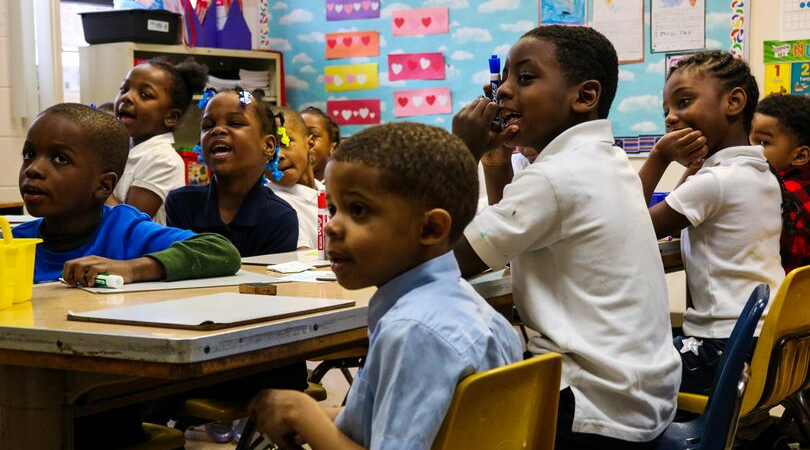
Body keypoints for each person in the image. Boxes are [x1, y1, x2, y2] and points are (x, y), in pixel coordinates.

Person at [452, 25, 680, 449]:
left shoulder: (556, 178)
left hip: (592, 408)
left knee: (443, 410)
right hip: (638, 395)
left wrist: (459, 152)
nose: (501, 92)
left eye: (525, 77)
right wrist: (494, 159)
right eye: (503, 80)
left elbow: (446, 264)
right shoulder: (605, 162)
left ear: (584, 97)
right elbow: (510, 232)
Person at [248, 122, 522, 449]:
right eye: (334, 209)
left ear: (431, 228)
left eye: (358, 210)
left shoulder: (414, 332)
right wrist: (322, 418)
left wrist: (301, 411)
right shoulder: (474, 309)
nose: (333, 226)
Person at [13, 103, 241, 448]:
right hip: (19, 391)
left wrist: (132, 267)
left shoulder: (125, 229)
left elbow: (220, 251)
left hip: (102, 406)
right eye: (29, 154)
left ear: (103, 185)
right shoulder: (13, 243)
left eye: (59, 159)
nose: (33, 169)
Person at [638, 51, 784, 395]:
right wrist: (694, 167)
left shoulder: (714, 183)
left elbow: (628, 229)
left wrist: (659, 157)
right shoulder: (758, 173)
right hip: (765, 342)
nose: (671, 118)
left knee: (619, 368)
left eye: (684, 101)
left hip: (722, 349)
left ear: (733, 101)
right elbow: (678, 216)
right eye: (667, 112)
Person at [166, 89, 299, 256]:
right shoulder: (181, 203)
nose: (217, 130)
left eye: (235, 123)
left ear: (269, 146)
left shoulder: (280, 218)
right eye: (208, 126)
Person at [109, 57, 208, 224]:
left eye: (145, 95)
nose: (127, 97)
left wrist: (92, 178)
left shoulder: (163, 159)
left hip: (141, 249)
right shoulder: (123, 151)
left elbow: (126, 224)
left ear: (170, 117)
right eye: (124, 89)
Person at [750, 94, 810, 273]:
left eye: (762, 142)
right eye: (748, 138)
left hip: (778, 298)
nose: (750, 148)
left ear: (799, 156)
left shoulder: (779, 196)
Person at [269, 106, 320, 249]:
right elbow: (302, 258)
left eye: (285, 142)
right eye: (269, 148)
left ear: (310, 144)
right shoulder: (275, 204)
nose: (278, 156)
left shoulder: (328, 191)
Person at [301, 106, 341, 181]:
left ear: (333, 148)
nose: (307, 142)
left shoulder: (341, 187)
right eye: (300, 136)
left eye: (314, 135)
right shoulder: (281, 189)